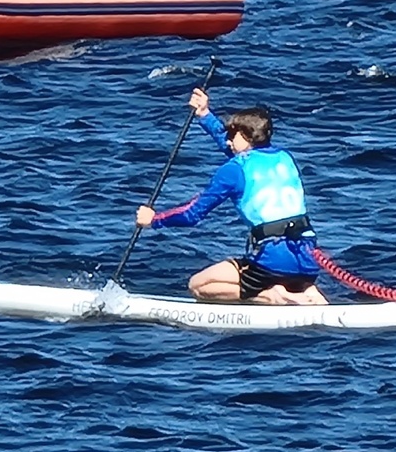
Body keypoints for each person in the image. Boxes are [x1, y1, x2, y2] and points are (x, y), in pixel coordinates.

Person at [135, 88, 329, 306]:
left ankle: (273, 296)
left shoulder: (234, 169)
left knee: (199, 285)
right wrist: (204, 115)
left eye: (231, 135)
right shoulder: (284, 157)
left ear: (245, 137)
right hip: (307, 260)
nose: (227, 140)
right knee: (285, 270)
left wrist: (154, 220)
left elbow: (192, 214)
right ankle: (306, 291)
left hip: (272, 262)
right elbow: (239, 151)